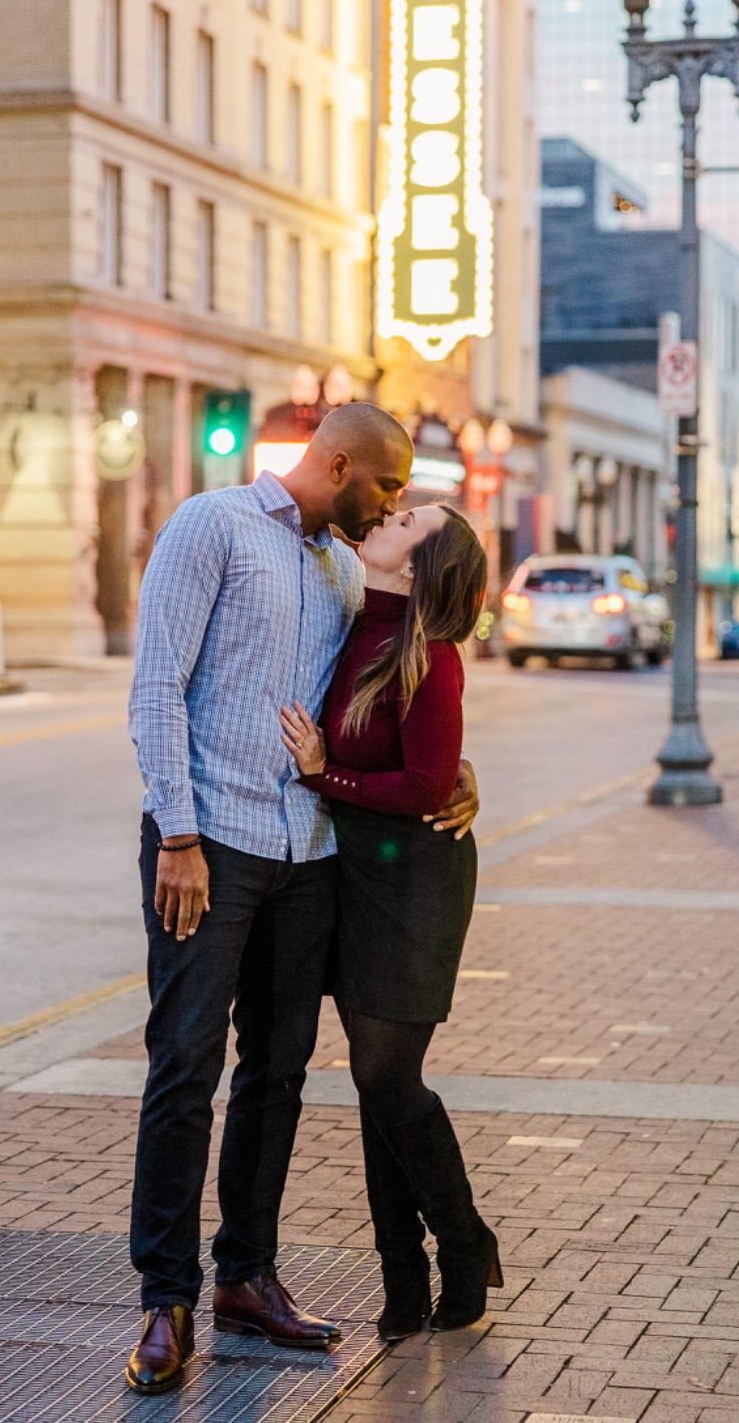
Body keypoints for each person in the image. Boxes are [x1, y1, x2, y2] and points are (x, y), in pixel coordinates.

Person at [122, 405, 481, 1396]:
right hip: (213, 846)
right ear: (334, 462)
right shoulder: (210, 526)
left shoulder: (339, 569)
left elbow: (392, 695)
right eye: (388, 484)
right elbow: (157, 687)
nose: (395, 503)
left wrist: (455, 771)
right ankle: (165, 1296)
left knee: (277, 1071)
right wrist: (179, 834)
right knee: (184, 1063)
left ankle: (245, 1276)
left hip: (309, 854)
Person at [278, 503, 501, 1344]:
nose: (386, 516)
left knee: (386, 1078)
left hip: (418, 885)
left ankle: (464, 1241)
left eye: (406, 519)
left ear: (414, 568)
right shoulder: (352, 615)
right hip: (359, 879)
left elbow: (424, 787)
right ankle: (402, 1281)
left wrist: (321, 776)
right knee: (376, 1085)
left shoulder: (429, 657)